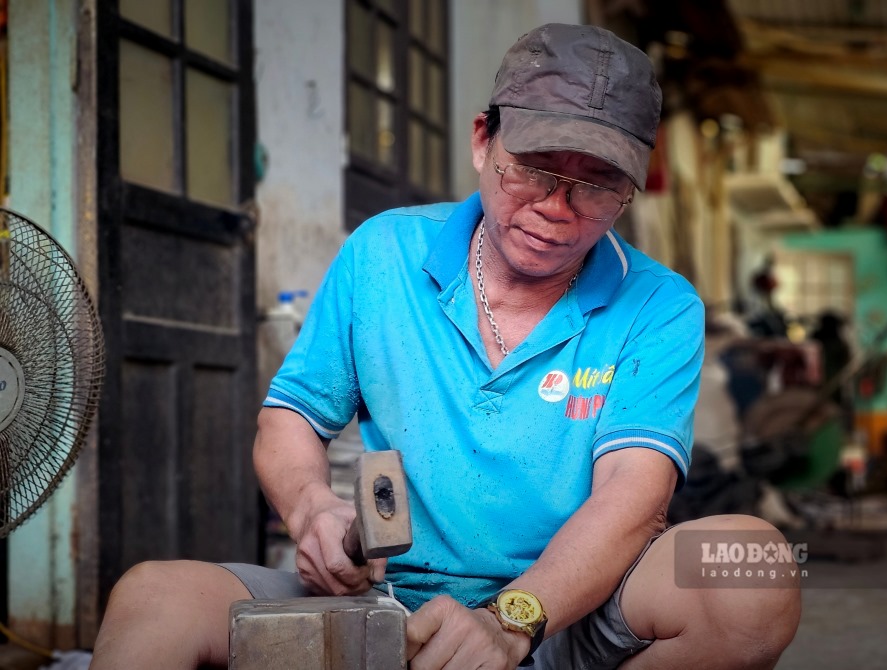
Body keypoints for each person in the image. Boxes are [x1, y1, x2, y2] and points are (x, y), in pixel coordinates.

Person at [91, 23, 800, 669]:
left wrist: (511, 620)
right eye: (534, 169)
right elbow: (291, 420)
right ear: (482, 142)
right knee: (152, 601)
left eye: (597, 185)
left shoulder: (658, 303)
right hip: (390, 608)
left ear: (629, 192)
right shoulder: (384, 254)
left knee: (751, 572)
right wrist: (311, 509)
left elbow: (634, 498)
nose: (557, 209)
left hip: (572, 615)